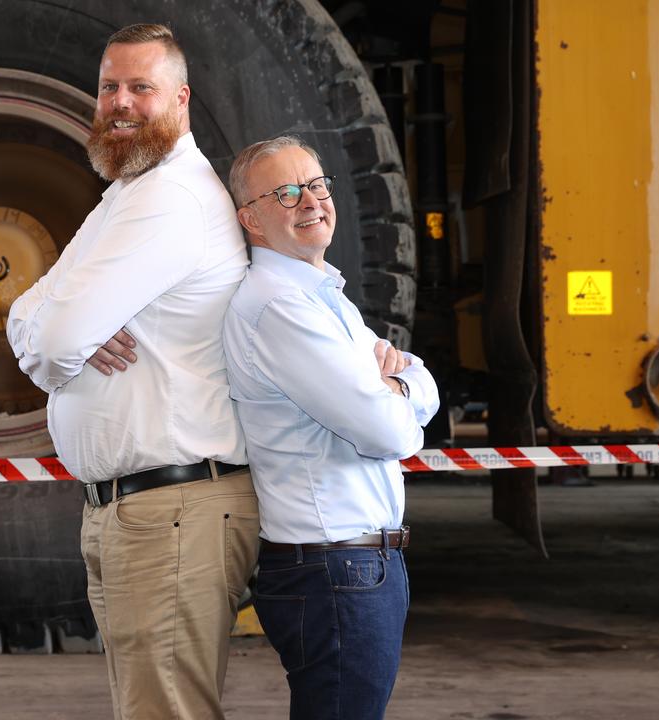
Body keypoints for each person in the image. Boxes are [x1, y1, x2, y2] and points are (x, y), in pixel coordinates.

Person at [6, 23, 258, 720]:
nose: (120, 102)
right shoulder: (129, 192)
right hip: (143, 510)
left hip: (169, 511)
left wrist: (55, 332)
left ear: (181, 97)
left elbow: (50, 333)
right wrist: (52, 329)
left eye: (140, 87)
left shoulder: (167, 200)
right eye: (109, 86)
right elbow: (28, 312)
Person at [222, 135, 440, 719]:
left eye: (317, 185)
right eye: (286, 192)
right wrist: (396, 391)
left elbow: (425, 382)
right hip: (335, 571)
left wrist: (397, 386)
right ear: (251, 219)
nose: (311, 201)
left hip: (353, 567)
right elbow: (387, 434)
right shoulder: (281, 306)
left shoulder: (319, 295)